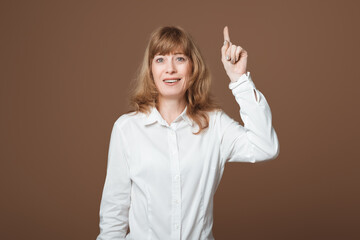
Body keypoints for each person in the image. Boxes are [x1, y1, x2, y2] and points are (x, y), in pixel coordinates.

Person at [96, 25, 279, 240]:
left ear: (193, 67)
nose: (170, 69)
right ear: (150, 69)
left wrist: (238, 80)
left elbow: (265, 147)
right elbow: (114, 216)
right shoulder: (127, 129)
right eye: (160, 59)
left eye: (180, 59)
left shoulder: (215, 124)